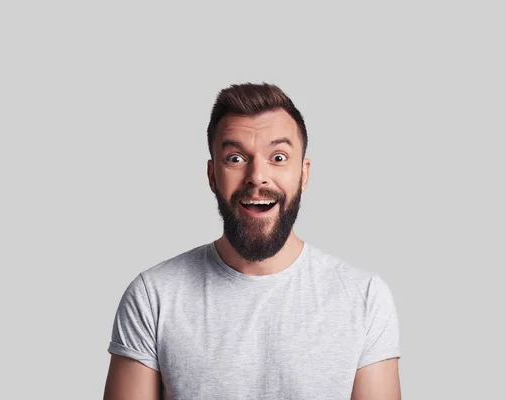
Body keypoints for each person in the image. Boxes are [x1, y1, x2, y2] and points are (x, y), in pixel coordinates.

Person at [103, 83, 402, 400]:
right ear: (212, 175)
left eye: (278, 156)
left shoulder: (364, 297)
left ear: (304, 174)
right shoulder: (153, 297)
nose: (257, 176)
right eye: (235, 158)